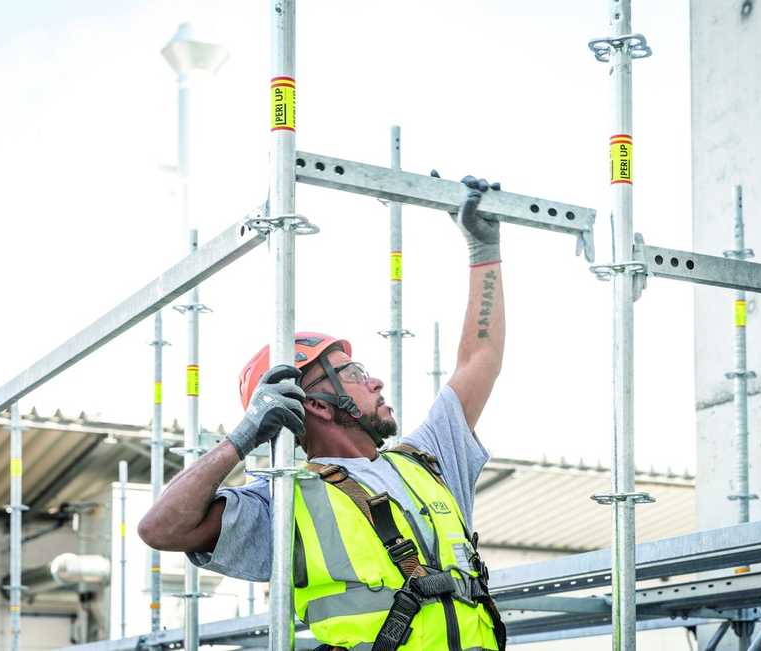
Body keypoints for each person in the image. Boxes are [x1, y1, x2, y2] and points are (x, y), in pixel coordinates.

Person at [138, 176, 506, 650]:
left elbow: (480, 359)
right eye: (352, 372)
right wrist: (243, 437)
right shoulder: (284, 502)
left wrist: (484, 250)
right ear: (313, 402)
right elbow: (160, 528)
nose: (374, 381)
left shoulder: (428, 460)